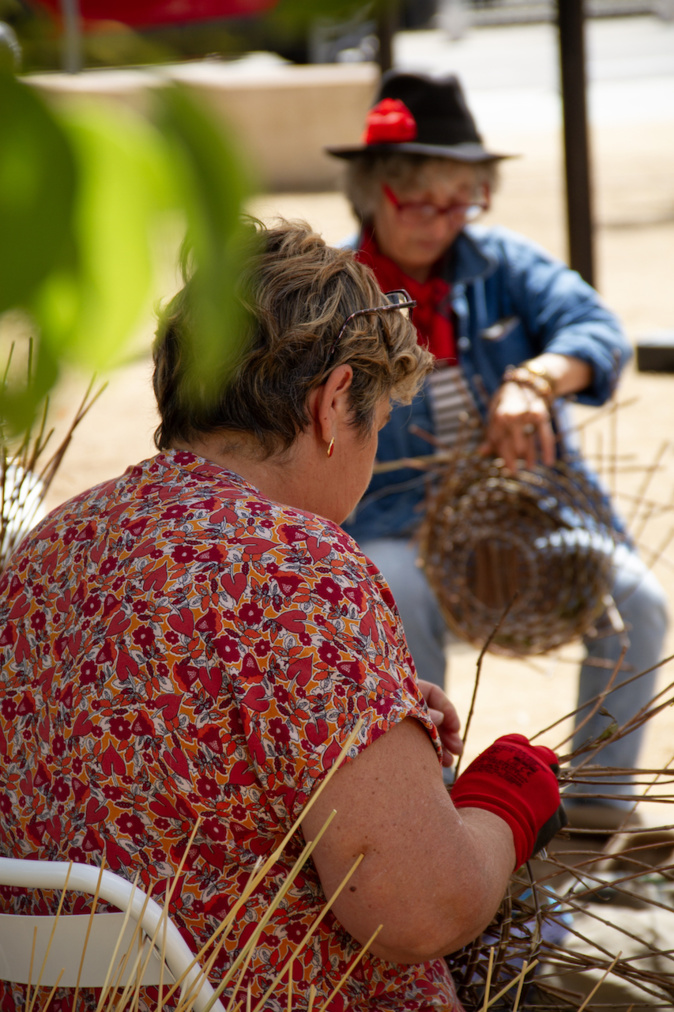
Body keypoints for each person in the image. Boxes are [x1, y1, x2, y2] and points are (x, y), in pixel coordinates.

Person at [0, 220, 563, 1011]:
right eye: (377, 421)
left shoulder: (51, 547)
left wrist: (382, 735)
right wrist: (511, 795)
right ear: (335, 404)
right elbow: (414, 913)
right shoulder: (298, 570)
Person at [326, 71, 669, 821]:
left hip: (531, 512)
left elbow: (597, 330)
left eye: (459, 200)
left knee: (639, 606)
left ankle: (595, 815)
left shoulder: (503, 265)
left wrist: (539, 378)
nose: (439, 220)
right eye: (416, 198)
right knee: (395, 591)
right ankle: (431, 811)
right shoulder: (336, 290)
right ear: (371, 190)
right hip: (394, 524)